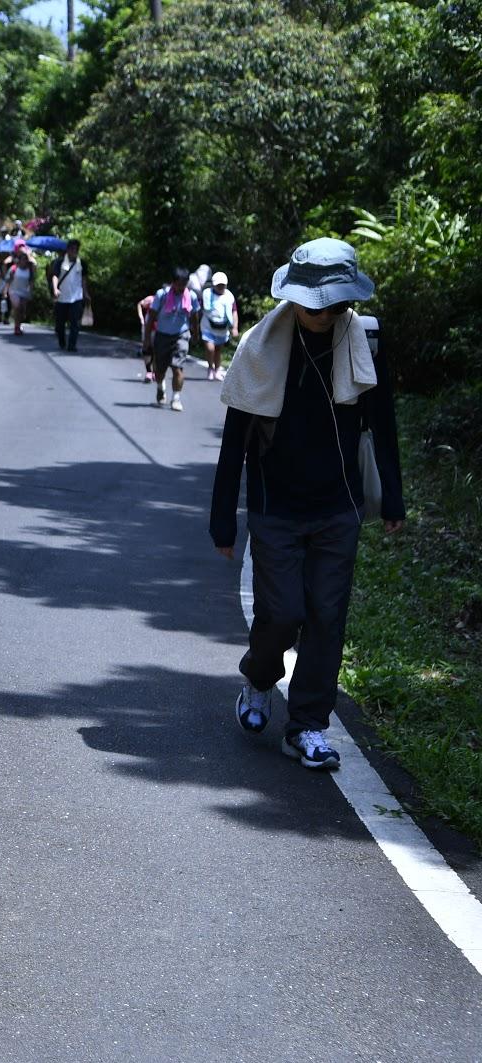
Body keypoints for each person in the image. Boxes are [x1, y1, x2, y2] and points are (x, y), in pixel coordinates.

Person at [210, 238, 404, 771]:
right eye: (316, 305)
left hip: (339, 506)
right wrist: (223, 518)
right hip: (276, 505)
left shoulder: (364, 342)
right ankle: (258, 679)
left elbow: (382, 425)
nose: (325, 314)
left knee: (326, 616)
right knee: (283, 613)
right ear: (293, 297)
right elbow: (235, 440)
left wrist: (392, 497)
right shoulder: (260, 348)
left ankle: (307, 726)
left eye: (336, 305)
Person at [144, 266, 199, 411]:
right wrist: (147, 339)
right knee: (160, 369)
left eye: (184, 284)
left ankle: (176, 398)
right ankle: (160, 387)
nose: (181, 288)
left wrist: (195, 334)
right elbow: (151, 318)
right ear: (173, 282)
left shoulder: (191, 296)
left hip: (181, 335)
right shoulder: (162, 295)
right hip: (162, 335)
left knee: (177, 367)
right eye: (179, 284)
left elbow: (194, 316)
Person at [47, 238, 88, 352]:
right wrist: (55, 289)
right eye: (72, 249)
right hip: (62, 297)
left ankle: (72, 345)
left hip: (76, 296)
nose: (74, 251)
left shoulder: (81, 263)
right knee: (60, 324)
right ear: (68, 250)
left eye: (76, 249)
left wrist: (86, 293)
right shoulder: (60, 262)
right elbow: (55, 276)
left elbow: (84, 279)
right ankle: (62, 341)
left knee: (75, 322)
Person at [201, 271, 239, 380]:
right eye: (218, 285)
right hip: (208, 326)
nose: (221, 287)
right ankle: (210, 367)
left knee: (218, 350)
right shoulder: (207, 294)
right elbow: (199, 308)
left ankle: (217, 370)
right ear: (214, 285)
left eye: (223, 285)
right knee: (210, 349)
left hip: (223, 328)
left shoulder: (229, 296)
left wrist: (235, 327)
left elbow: (234, 312)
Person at [6, 247, 35, 335]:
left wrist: (30, 292)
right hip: (14, 291)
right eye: (22, 259)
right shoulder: (14, 269)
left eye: (25, 259)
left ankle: (19, 324)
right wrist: (5, 291)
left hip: (24, 292)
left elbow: (31, 282)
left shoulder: (29, 270)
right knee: (17, 307)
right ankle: (16, 327)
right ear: (19, 260)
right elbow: (9, 280)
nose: (24, 261)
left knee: (22, 310)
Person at [135, 291, 158, 382]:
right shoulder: (151, 299)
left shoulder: (171, 300)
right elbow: (140, 304)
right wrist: (141, 318)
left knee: (156, 350)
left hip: (160, 329)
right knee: (147, 349)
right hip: (148, 327)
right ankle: (149, 372)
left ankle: (155, 372)